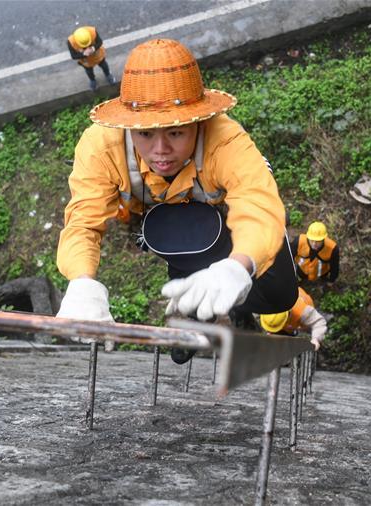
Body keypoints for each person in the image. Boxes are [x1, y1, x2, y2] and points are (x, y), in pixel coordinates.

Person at [55, 38, 298, 363]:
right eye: (145, 134)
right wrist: (82, 282)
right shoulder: (101, 147)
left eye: (175, 132)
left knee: (280, 295)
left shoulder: (225, 141)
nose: (160, 151)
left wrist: (238, 266)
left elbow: (257, 203)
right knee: (178, 236)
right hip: (168, 222)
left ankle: (224, 303)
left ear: (197, 122)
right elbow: (83, 221)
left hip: (217, 220)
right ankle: (194, 306)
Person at [259, 287, 328, 351]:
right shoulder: (267, 299)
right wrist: (271, 332)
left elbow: (319, 323)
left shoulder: (303, 311)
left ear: (287, 317)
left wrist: (316, 339)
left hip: (303, 318)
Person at [67, 26, 117, 91]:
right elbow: (73, 56)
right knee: (89, 72)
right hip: (86, 62)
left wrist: (93, 49)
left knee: (104, 66)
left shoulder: (92, 31)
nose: (87, 47)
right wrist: (83, 54)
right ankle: (92, 80)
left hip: (98, 56)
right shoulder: (71, 42)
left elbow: (100, 42)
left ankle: (108, 75)